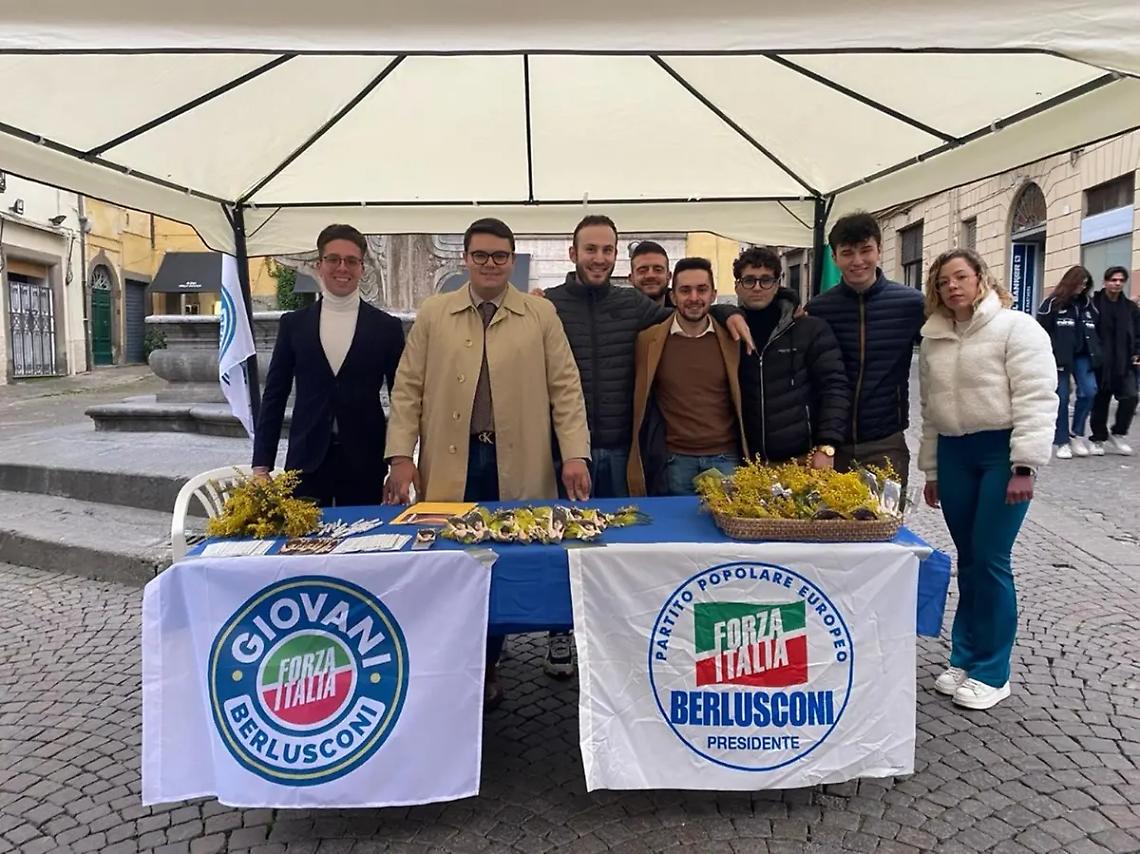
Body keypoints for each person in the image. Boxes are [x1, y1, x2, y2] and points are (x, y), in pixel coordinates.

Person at [382, 217, 591, 709]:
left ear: (511, 261)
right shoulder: (435, 314)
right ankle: (461, 658)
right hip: (452, 462)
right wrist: (400, 457)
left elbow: (566, 388)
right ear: (465, 259)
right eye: (481, 255)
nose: (490, 264)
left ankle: (490, 659)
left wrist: (575, 454)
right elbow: (407, 388)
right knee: (454, 561)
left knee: (506, 561)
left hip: (518, 461)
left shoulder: (540, 317)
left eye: (500, 256)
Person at [541, 215, 752, 678]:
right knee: (566, 545)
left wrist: (728, 312)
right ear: (572, 254)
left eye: (606, 250)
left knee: (623, 547)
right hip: (564, 450)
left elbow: (689, 312)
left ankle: (621, 635)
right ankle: (561, 632)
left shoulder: (634, 303)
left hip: (621, 448)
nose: (599, 257)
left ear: (615, 256)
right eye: (590, 249)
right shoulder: (548, 306)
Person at [919, 249, 1057, 710]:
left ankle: (994, 672)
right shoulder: (934, 338)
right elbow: (931, 411)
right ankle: (966, 656)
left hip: (1001, 453)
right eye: (943, 282)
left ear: (981, 278)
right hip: (956, 453)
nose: (952, 286)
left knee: (992, 558)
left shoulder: (1016, 328)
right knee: (969, 559)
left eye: (960, 277)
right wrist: (934, 469)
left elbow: (1038, 396)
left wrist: (1025, 465)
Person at [252, 224, 404, 507]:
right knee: (304, 548)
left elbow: (403, 399)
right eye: (333, 259)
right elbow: (274, 396)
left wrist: (399, 460)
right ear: (319, 265)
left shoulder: (387, 328)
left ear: (362, 267)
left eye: (351, 261)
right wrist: (262, 465)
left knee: (364, 546)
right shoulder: (293, 325)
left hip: (365, 461)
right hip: (305, 462)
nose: (342, 267)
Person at [806, 212, 925, 498]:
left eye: (865, 250)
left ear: (880, 250)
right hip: (833, 443)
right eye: (847, 253)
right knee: (828, 527)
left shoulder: (910, 304)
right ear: (835, 257)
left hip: (885, 441)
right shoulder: (820, 308)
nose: (857, 261)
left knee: (882, 529)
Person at [628, 258, 746, 496]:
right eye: (685, 290)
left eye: (701, 289)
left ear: (713, 295)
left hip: (726, 459)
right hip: (674, 462)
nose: (694, 297)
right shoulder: (648, 341)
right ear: (673, 296)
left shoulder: (734, 338)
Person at [733, 247, 849, 467]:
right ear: (737, 286)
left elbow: (834, 387)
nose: (757, 287)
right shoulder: (727, 333)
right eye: (749, 280)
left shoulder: (810, 329)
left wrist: (828, 444)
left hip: (802, 458)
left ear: (778, 284)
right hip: (746, 461)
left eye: (766, 280)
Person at [1036, 265, 1102, 459]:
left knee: (1090, 391)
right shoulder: (1052, 303)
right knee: (1062, 399)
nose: (1082, 287)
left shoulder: (1089, 305)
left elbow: (1096, 328)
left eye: (1085, 284)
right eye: (1079, 283)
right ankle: (1062, 441)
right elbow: (1041, 330)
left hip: (1084, 356)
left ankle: (1077, 434)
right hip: (1059, 357)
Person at [1089, 266, 1139, 455]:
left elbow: (1138, 333)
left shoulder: (1130, 308)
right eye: (1113, 280)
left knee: (1131, 397)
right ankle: (1098, 438)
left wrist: (1137, 352)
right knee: (1100, 402)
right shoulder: (1093, 305)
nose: (1117, 283)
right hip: (1100, 362)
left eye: (1121, 280)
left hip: (1124, 362)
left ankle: (1118, 433)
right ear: (1105, 281)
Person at [629, 240, 673, 307]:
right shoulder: (614, 313)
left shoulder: (685, 312)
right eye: (642, 270)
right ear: (631, 278)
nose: (650, 275)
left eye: (658, 270)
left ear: (669, 276)